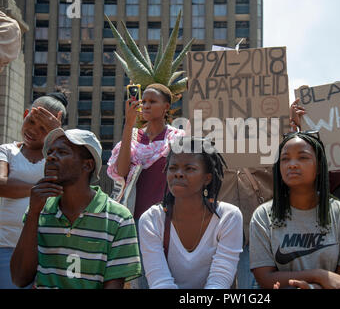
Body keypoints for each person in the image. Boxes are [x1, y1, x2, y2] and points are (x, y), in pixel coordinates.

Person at [10, 128, 141, 289]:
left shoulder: (118, 218)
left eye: (62, 152)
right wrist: (33, 213)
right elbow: (19, 278)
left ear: (87, 165)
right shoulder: (40, 210)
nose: (50, 157)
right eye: (50, 152)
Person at [249, 131, 340, 289]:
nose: (292, 164)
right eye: (285, 159)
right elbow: (265, 278)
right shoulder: (263, 216)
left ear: (319, 166)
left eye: (303, 157)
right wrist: (318, 275)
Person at [138, 137, 243, 289]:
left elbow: (219, 282)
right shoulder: (151, 220)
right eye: (173, 168)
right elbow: (160, 282)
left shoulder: (229, 217)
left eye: (189, 168)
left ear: (207, 178)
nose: (178, 174)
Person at [107, 83, 185, 288]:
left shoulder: (177, 138)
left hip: (168, 221)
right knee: (141, 281)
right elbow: (121, 172)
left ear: (166, 107)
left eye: (153, 101)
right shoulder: (133, 137)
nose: (146, 105)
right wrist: (128, 125)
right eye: (144, 101)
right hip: (136, 221)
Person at [0, 93, 67, 289]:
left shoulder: (57, 157)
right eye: (31, 121)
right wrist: (41, 189)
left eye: (44, 129)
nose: (33, 131)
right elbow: (1, 184)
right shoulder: (6, 150)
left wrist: (58, 133)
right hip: (7, 245)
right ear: (25, 114)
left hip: (48, 249)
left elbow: (68, 185)